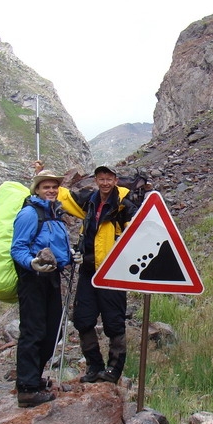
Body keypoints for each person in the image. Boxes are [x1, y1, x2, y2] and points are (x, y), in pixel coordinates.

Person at [57, 165, 138, 384]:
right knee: (83, 320)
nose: (104, 183)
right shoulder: (90, 201)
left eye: (108, 178)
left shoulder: (124, 205)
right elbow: (65, 199)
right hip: (88, 271)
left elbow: (136, 234)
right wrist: (41, 177)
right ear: (96, 180)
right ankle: (94, 366)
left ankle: (114, 370)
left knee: (114, 323)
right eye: (101, 178)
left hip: (113, 272)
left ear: (115, 180)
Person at [11, 169, 81, 407]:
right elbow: (18, 248)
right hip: (32, 279)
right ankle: (27, 389)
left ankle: (32, 377)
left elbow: (57, 248)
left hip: (52, 278)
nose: (50, 190)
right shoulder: (29, 214)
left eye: (54, 187)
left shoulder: (54, 213)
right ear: (37, 190)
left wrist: (71, 257)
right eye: (46, 187)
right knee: (33, 331)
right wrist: (32, 263)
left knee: (54, 331)